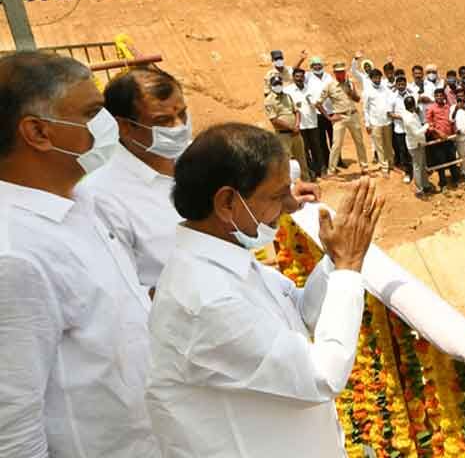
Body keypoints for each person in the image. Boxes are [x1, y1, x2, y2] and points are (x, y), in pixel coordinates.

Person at [145, 128, 383, 458]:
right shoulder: (205, 299)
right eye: (277, 195)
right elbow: (323, 375)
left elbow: (299, 314)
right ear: (227, 203)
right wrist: (348, 268)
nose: (289, 206)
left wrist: (333, 261)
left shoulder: (224, 262)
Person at [0, 52, 158, 457]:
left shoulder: (85, 199)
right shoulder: (15, 254)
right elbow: (12, 427)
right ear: (38, 132)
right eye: (93, 113)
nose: (107, 127)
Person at [77, 67, 190, 291]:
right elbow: (121, 291)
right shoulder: (101, 196)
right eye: (163, 120)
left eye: (182, 114)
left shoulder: (200, 160)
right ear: (124, 126)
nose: (179, 127)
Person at [317, 62, 369, 176]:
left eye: (342, 71)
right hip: (339, 117)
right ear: (334, 73)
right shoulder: (330, 86)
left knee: (359, 142)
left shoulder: (350, 83)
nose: (341, 73)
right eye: (338, 72)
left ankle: (364, 167)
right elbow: (318, 103)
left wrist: (350, 91)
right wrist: (329, 117)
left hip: (353, 115)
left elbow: (357, 99)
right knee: (336, 145)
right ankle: (331, 170)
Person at [265, 75, 311, 182]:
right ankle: (290, 185)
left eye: (279, 84)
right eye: (275, 84)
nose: (278, 86)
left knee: (302, 159)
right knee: (287, 161)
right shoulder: (269, 100)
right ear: (271, 86)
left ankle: (306, 181)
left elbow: (297, 111)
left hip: (296, 133)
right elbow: (274, 120)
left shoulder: (288, 96)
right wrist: (291, 127)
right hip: (283, 135)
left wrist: (297, 125)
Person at [286, 68, 325, 181]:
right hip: (299, 125)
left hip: (312, 123)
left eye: (301, 76)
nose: (299, 79)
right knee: (304, 150)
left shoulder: (310, 89)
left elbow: (316, 104)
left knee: (317, 147)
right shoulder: (288, 91)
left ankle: (322, 171)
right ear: (293, 77)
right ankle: (310, 173)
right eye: (297, 76)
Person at [425, 88, 461, 190]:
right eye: (437, 96)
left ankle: (455, 179)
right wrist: (438, 133)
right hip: (438, 140)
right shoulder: (431, 108)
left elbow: (451, 121)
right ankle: (443, 183)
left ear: (444, 97)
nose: (439, 97)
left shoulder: (448, 107)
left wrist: (454, 131)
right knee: (441, 161)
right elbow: (429, 125)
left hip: (449, 138)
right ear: (435, 97)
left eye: (441, 95)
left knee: (452, 158)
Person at [363, 68, 394, 176]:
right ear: (371, 78)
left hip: (387, 121)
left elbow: (390, 100)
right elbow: (365, 109)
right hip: (375, 122)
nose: (377, 79)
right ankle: (384, 167)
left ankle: (391, 164)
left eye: (379, 77)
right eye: (375, 77)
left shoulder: (385, 88)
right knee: (379, 146)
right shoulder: (367, 91)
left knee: (388, 144)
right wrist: (367, 123)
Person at [400, 95, 430, 196]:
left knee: (422, 165)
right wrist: (427, 126)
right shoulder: (408, 119)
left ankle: (425, 185)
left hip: (419, 143)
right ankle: (419, 189)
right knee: (417, 167)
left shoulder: (412, 113)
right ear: (412, 106)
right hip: (415, 145)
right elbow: (417, 133)